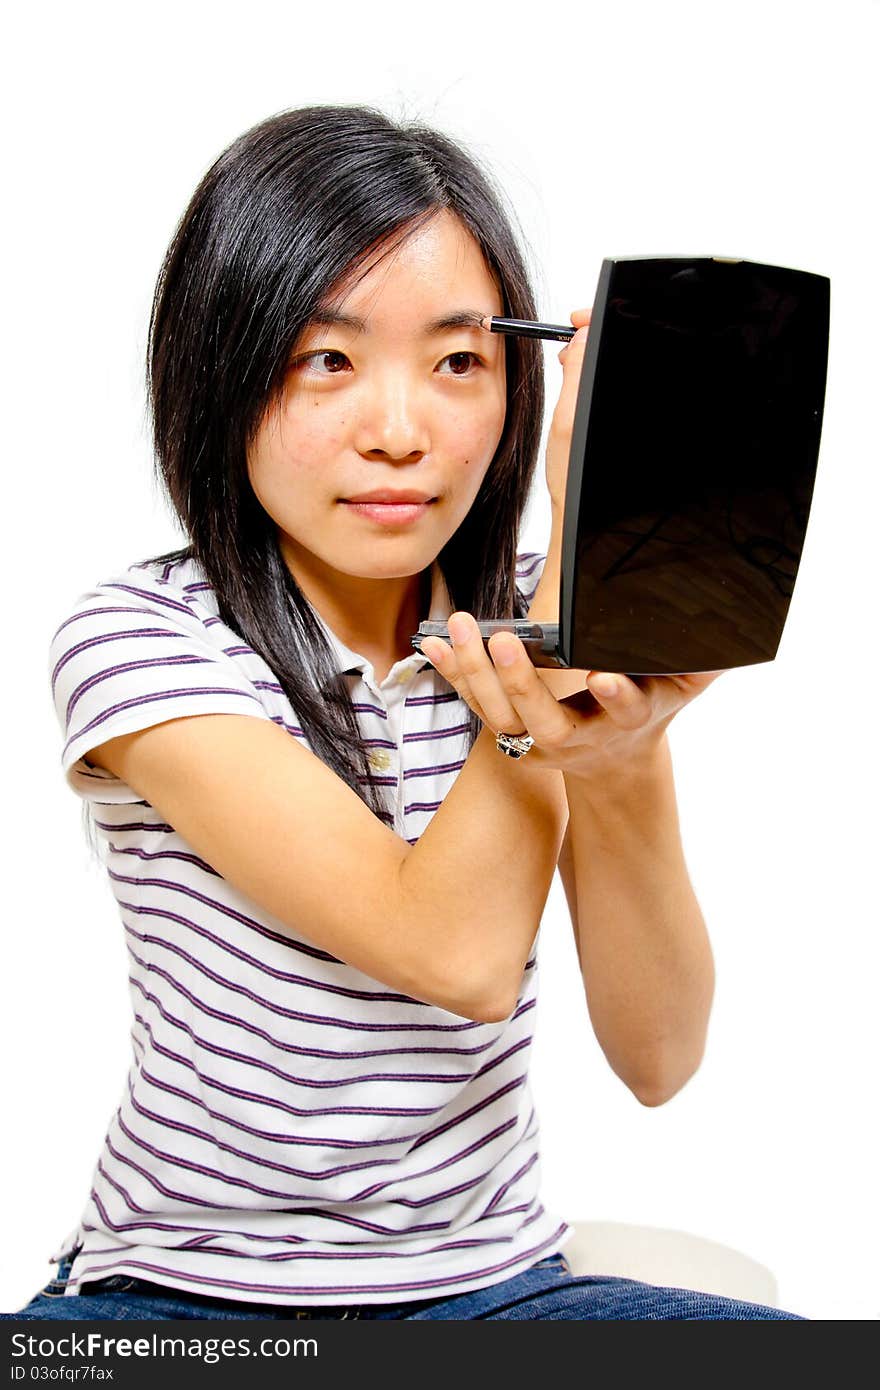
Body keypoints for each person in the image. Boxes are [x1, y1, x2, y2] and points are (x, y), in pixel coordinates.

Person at [6, 104, 804, 1320]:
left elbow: (659, 1058)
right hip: (176, 1302)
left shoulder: (544, 633)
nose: (398, 433)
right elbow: (458, 957)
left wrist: (624, 750)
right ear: (219, 375)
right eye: (327, 359)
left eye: (458, 361)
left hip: (499, 1293)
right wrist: (554, 639)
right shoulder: (138, 641)